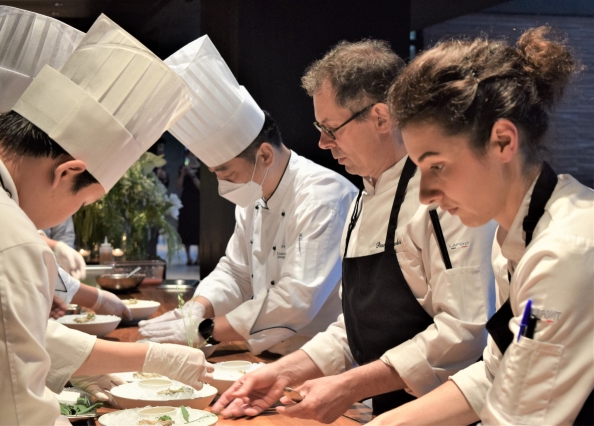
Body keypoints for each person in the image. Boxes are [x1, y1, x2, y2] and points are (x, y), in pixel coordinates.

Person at [212, 39, 497, 421]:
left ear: (381, 117)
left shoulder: (445, 199)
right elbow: (355, 328)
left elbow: (462, 333)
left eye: (331, 128)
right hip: (379, 409)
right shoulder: (365, 196)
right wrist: (282, 373)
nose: (322, 143)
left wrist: (351, 385)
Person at [0, 13, 211, 425]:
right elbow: (11, 414)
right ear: (67, 172)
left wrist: (140, 357)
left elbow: (1, 337)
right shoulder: (6, 237)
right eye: (87, 202)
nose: (82, 211)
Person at [372, 26, 593, 425]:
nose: (425, 195)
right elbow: (497, 373)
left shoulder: (565, 251)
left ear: (503, 142)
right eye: (420, 169)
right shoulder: (515, 234)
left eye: (437, 166)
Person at [138, 35, 358, 356]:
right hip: (264, 356)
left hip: (317, 359)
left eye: (226, 170)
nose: (222, 182)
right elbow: (236, 272)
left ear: (265, 155)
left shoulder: (322, 196)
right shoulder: (254, 195)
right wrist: (197, 309)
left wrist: (206, 331)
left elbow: (295, 300)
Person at [177, 149, 201, 265]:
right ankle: (188, 257)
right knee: (186, 227)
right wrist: (183, 173)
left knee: (197, 228)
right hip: (185, 201)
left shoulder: (201, 169)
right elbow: (179, 186)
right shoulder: (183, 168)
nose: (192, 156)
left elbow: (201, 187)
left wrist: (192, 175)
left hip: (197, 201)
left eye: (194, 154)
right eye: (190, 154)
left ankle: (198, 257)